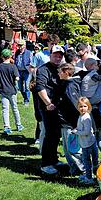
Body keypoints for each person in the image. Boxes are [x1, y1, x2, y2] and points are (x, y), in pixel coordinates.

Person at [36, 45, 65, 175]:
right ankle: (46, 164)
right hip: (48, 106)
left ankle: (54, 159)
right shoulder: (43, 69)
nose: (58, 57)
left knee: (56, 134)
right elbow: (40, 88)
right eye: (55, 55)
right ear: (50, 55)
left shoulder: (60, 68)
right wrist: (48, 103)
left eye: (60, 55)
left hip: (58, 106)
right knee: (49, 134)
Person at [56, 63, 84, 175]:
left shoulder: (70, 86)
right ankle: (74, 169)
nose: (58, 74)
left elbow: (76, 105)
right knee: (67, 149)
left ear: (66, 72)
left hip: (70, 123)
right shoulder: (66, 84)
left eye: (60, 72)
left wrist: (77, 123)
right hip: (65, 122)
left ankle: (84, 171)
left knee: (73, 149)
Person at [0, 49, 23, 134]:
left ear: (2, 57)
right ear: (10, 56)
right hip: (12, 90)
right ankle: (18, 125)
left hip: (3, 90)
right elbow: (17, 78)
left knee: (5, 109)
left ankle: (7, 127)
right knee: (15, 108)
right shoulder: (13, 66)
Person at [73, 97, 98, 185]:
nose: (82, 108)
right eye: (80, 106)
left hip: (87, 143)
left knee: (87, 161)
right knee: (90, 160)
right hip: (86, 142)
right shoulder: (81, 116)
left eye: (85, 106)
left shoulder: (86, 117)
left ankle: (89, 178)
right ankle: (91, 175)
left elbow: (86, 132)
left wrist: (77, 132)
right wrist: (77, 129)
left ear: (88, 107)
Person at [15, 39, 33, 105]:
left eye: (20, 45)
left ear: (24, 46)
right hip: (19, 71)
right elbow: (15, 62)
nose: (19, 47)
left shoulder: (29, 52)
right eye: (18, 45)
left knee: (27, 86)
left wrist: (30, 69)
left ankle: (26, 100)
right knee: (20, 87)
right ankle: (24, 97)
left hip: (26, 71)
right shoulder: (17, 52)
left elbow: (32, 62)